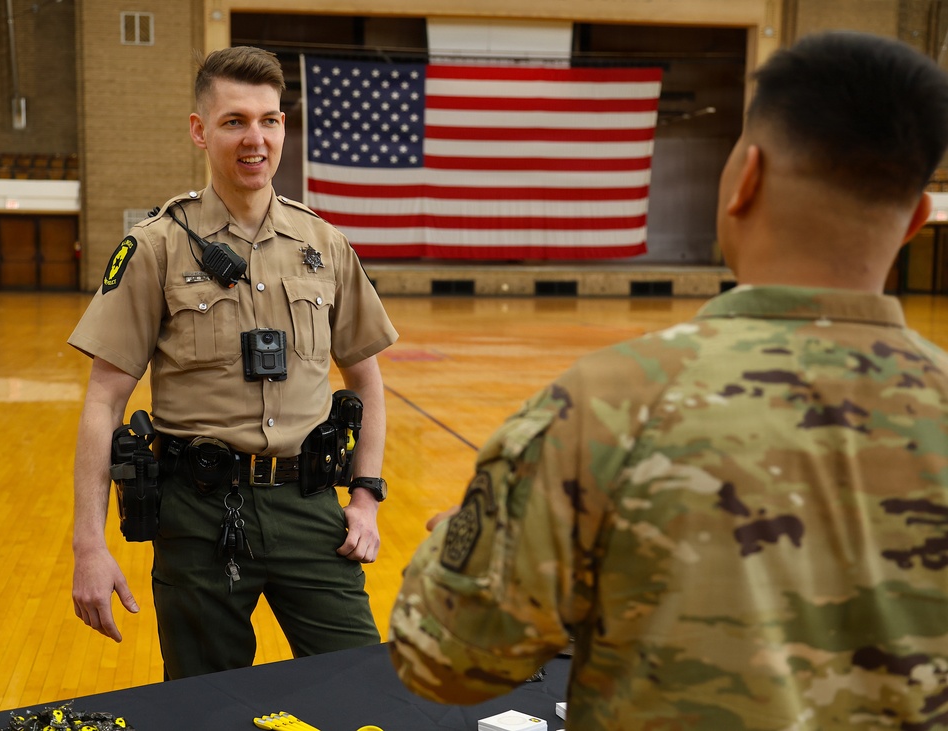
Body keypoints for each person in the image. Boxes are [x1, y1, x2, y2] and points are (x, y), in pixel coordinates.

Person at [388, 31, 948, 729]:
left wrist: (461, 548)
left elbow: (445, 657)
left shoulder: (609, 404)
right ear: (917, 222)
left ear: (747, 177)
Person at [69, 46, 397, 679]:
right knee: (205, 703)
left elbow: (367, 381)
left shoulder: (324, 245)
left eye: (269, 120)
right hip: (198, 513)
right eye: (235, 121)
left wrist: (365, 499)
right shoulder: (156, 247)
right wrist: (90, 543)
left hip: (310, 509)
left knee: (361, 684)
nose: (256, 138)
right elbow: (103, 401)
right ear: (200, 130)